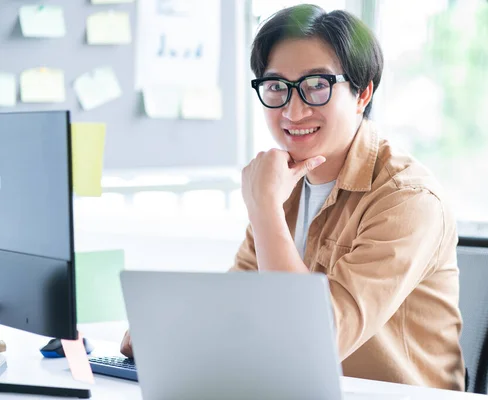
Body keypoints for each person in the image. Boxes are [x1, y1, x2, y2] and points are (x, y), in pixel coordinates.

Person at [121, 4, 465, 391]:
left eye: (317, 85)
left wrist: (264, 208)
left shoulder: (407, 201)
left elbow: (312, 341)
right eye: (276, 87)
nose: (293, 109)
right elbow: (240, 307)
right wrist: (171, 331)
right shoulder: (284, 186)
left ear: (362, 93)